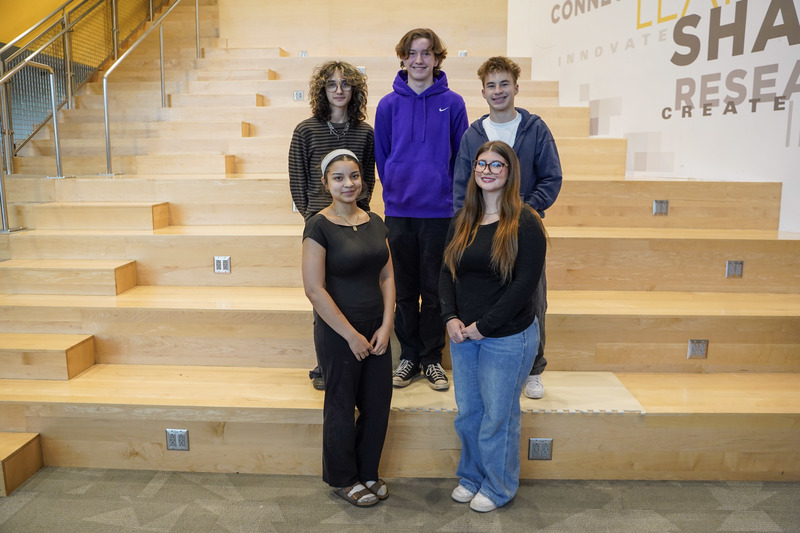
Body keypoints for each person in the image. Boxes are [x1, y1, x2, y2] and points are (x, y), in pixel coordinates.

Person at [440, 140, 547, 513]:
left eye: (496, 165)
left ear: (510, 172)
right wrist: (450, 317)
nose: (486, 170)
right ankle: (471, 476)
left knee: (498, 416)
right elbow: (445, 273)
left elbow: (524, 286)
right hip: (464, 336)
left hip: (507, 336)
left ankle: (499, 486)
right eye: (481, 164)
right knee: (469, 413)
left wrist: (484, 326)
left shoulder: (526, 222)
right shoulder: (462, 218)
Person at [453, 56, 562, 400]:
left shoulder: (535, 128)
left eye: (504, 84)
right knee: (485, 291)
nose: (498, 91)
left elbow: (551, 177)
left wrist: (522, 212)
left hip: (522, 230)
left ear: (516, 87)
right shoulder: (474, 135)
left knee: (532, 296)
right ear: (482, 91)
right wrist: (469, 223)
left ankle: (534, 368)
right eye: (491, 85)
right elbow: (461, 185)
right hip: (481, 228)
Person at [374, 28, 469, 391]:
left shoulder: (454, 102)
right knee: (402, 291)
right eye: (412, 53)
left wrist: (448, 194)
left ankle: (432, 359)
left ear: (437, 59)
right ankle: (409, 357)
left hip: (440, 212)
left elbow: (461, 156)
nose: (418, 60)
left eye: (426, 53)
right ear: (402, 58)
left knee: (434, 291)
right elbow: (383, 156)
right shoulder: (387, 104)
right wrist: (395, 188)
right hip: (399, 211)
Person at [301, 149, 394, 507]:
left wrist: (387, 325)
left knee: (377, 402)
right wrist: (350, 335)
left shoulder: (374, 220)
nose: (348, 183)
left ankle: (367, 470)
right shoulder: (318, 226)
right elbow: (314, 289)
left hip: (376, 328)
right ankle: (342, 478)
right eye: (339, 177)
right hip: (340, 332)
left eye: (354, 176)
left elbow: (387, 275)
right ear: (326, 183)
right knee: (340, 405)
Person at [289, 60, 376, 391]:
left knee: (356, 293)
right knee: (322, 295)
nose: (339, 91)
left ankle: (360, 354)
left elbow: (366, 177)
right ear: (322, 90)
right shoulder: (305, 130)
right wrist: (316, 221)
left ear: (355, 90)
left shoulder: (365, 132)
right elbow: (298, 183)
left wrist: (359, 219)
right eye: (331, 85)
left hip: (357, 223)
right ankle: (326, 364)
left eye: (345, 85)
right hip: (321, 226)